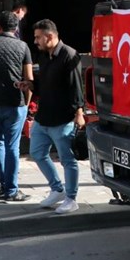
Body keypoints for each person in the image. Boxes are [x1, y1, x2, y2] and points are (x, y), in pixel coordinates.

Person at [27, 19, 86, 214]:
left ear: (49, 36)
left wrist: (79, 113)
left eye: (38, 37)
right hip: (43, 116)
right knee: (37, 152)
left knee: (67, 159)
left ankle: (71, 198)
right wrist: (30, 86)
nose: (35, 41)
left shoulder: (69, 55)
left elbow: (76, 86)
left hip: (63, 118)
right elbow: (44, 84)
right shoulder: (44, 56)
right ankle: (57, 189)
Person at [0, 10, 33, 202]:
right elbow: (29, 78)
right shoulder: (23, 46)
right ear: (15, 28)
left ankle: (4, 185)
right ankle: (11, 189)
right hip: (14, 101)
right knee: (12, 146)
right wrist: (27, 102)